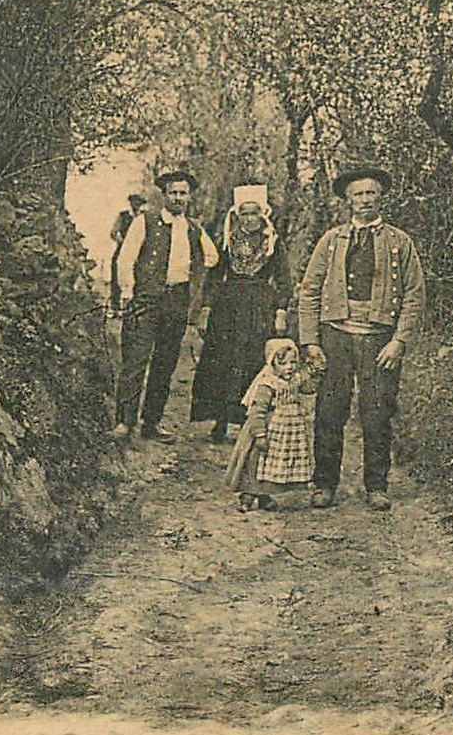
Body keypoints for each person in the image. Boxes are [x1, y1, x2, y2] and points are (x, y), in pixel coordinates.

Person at [297, 165, 426, 511]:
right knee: (329, 411)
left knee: (377, 413)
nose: (365, 200)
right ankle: (324, 483)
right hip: (336, 336)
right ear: (348, 200)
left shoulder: (399, 242)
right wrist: (310, 342)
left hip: (379, 340)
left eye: (371, 193)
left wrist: (399, 341)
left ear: (381, 198)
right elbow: (309, 291)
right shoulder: (331, 241)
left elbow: (415, 294)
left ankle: (376, 486)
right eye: (358, 194)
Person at [112, 167, 219, 442]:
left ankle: (151, 423)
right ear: (164, 195)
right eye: (173, 193)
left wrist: (193, 276)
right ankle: (124, 422)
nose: (178, 198)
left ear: (189, 196)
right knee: (136, 360)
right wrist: (128, 291)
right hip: (145, 300)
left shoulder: (193, 228)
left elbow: (213, 257)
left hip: (176, 301)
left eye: (183, 193)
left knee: (165, 363)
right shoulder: (145, 221)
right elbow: (125, 258)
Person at [190, 185, 292, 443]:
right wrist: (206, 308)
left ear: (262, 214)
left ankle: (250, 424)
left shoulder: (272, 242)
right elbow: (214, 277)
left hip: (259, 307)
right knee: (223, 361)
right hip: (228, 306)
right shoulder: (228, 239)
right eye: (244, 213)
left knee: (251, 362)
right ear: (237, 215)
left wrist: (280, 310)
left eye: (254, 213)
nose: (249, 218)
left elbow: (284, 279)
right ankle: (220, 422)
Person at [224, 338, 316, 512]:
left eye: (293, 362)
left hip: (288, 432)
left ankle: (264, 496)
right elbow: (257, 412)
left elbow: (310, 387)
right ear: (272, 363)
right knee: (257, 463)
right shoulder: (267, 384)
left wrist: (315, 370)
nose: (289, 367)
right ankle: (247, 497)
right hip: (269, 429)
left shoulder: (295, 380)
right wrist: (260, 434)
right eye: (283, 363)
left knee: (273, 466)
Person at [108, 193, 146, 314]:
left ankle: (134, 307)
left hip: (140, 250)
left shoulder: (144, 217)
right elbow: (113, 233)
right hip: (122, 249)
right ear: (130, 203)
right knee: (116, 275)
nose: (136, 205)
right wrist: (124, 242)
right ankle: (115, 307)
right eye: (134, 202)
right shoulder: (123, 216)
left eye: (138, 202)